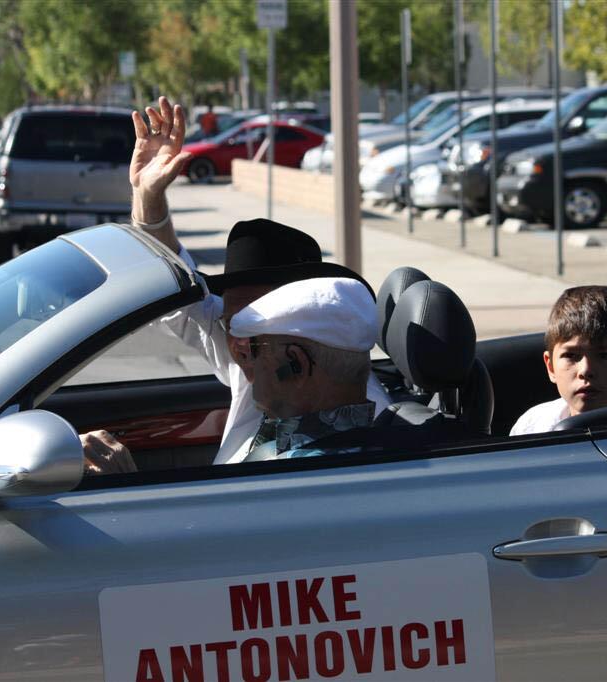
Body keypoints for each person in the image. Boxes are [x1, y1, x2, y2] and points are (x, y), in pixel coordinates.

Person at [81, 97, 389, 473]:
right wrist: (149, 197)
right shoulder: (263, 361)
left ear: (296, 349)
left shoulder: (349, 445)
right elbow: (176, 294)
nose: (236, 343)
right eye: (231, 325)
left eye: (252, 327)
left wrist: (128, 488)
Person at [231, 277, 379, 461]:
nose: (249, 360)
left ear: (297, 364)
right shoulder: (383, 442)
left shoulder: (298, 469)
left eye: (254, 347)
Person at [509, 286, 607, 436]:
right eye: (570, 355)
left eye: (604, 356)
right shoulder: (533, 425)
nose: (586, 370)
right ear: (550, 367)